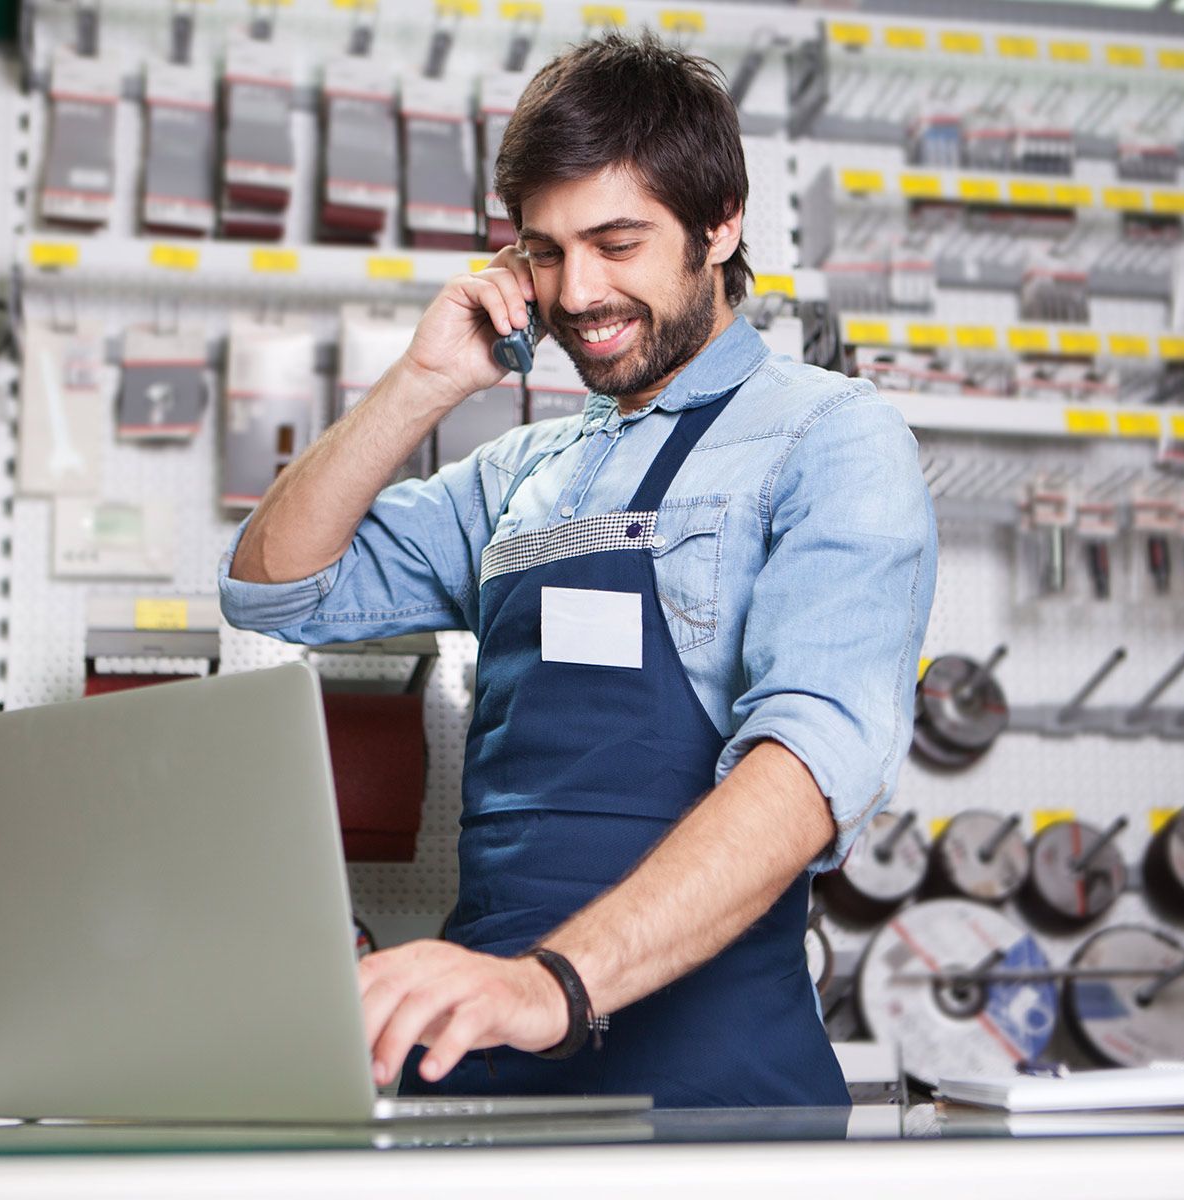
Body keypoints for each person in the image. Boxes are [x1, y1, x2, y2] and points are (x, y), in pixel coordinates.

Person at [219, 32, 935, 1108]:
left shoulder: (831, 439)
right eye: (545, 252)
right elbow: (276, 587)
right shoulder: (524, 470)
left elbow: (811, 767)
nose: (577, 292)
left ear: (721, 223)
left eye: (616, 242)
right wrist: (422, 383)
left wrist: (553, 984)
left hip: (708, 1085)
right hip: (487, 1058)